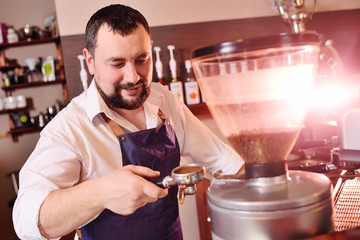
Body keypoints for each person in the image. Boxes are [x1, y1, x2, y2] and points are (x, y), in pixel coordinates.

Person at [13, 4, 244, 240]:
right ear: (90, 61)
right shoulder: (70, 128)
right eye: (117, 64)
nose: (133, 76)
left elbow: (223, 162)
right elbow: (27, 220)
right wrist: (100, 193)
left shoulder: (164, 101)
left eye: (142, 59)